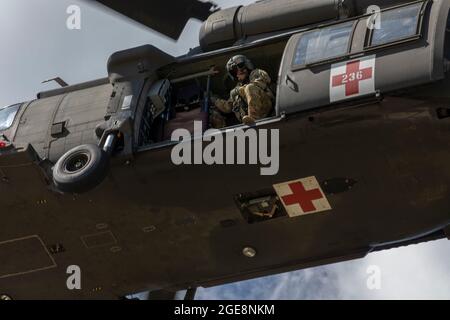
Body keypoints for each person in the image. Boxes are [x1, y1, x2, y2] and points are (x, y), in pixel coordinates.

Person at [210, 55, 274, 128]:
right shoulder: (237, 88)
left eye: (240, 66)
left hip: (265, 108)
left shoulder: (257, 73)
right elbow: (228, 107)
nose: (238, 72)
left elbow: (258, 85)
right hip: (247, 122)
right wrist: (215, 101)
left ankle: (254, 118)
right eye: (234, 71)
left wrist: (238, 90)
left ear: (247, 66)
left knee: (249, 88)